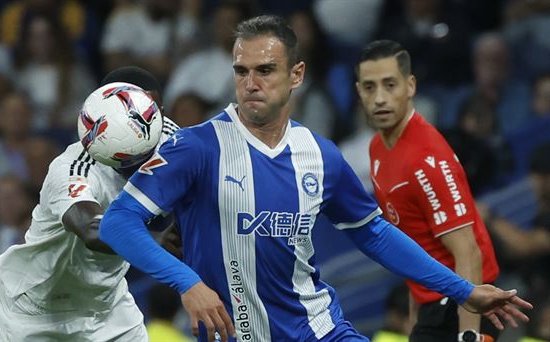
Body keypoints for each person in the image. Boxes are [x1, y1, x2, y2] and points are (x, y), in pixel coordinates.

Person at [99, 16, 532, 342]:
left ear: (297, 76)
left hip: (320, 330)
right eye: (241, 71)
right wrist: (188, 283)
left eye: (265, 70)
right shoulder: (196, 147)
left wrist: (463, 291)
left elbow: (375, 235)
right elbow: (118, 222)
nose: (250, 83)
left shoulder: (321, 154)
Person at [0, 66, 181, 341]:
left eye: (150, 110)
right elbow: (92, 231)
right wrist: (153, 239)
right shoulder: (70, 168)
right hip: (39, 310)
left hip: (108, 306)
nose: (142, 123)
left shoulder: (171, 139)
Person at [358, 40, 501, 342]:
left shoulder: (426, 159)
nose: (380, 98)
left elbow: (468, 251)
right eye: (370, 87)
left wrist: (469, 335)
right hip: (431, 305)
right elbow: (413, 246)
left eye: (390, 85)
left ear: (410, 86)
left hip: (464, 303)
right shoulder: (377, 149)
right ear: (359, 91)